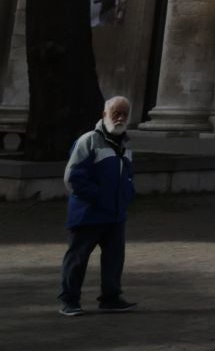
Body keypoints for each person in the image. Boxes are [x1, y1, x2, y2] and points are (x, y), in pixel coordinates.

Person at [58, 95, 137, 316]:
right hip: (88, 213)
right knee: (78, 258)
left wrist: (127, 194)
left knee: (114, 259)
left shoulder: (125, 144)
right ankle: (69, 300)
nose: (120, 117)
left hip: (115, 214)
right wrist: (100, 197)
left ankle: (110, 298)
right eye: (116, 113)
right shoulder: (89, 140)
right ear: (104, 115)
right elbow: (73, 178)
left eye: (124, 114)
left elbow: (128, 176)